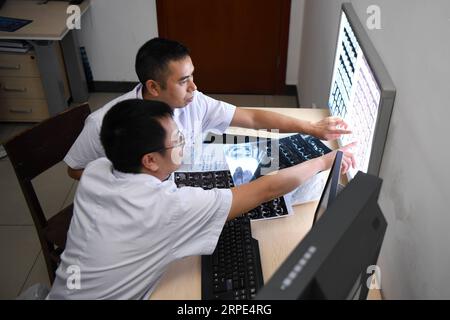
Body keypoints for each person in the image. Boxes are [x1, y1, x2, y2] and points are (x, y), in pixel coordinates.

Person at [48, 99, 355, 299]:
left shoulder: (97, 170)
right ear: (150, 161)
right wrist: (327, 161)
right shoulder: (167, 208)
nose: (185, 141)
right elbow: (266, 190)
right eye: (177, 140)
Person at [65, 38, 351, 180]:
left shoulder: (192, 100)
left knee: (276, 164)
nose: (194, 87)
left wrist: (312, 128)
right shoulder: (102, 123)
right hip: (159, 192)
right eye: (183, 81)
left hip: (198, 168)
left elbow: (250, 116)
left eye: (192, 76)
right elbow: (74, 169)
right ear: (153, 87)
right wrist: (132, 174)